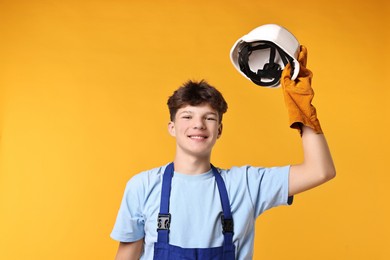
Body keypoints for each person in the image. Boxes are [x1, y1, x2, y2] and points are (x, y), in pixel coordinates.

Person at [110, 46, 336, 260]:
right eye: (187, 116)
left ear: (219, 130)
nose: (198, 125)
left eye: (209, 118)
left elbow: (320, 170)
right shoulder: (143, 186)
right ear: (172, 127)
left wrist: (302, 108)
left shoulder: (245, 184)